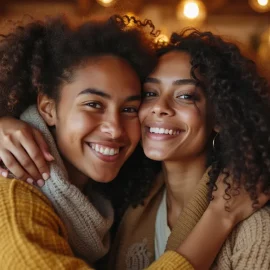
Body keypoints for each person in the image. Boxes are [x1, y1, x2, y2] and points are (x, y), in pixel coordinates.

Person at [0, 19, 268, 270]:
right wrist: (219, 218)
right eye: (94, 104)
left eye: (130, 108)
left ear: (220, 114)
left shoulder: (110, 202)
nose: (115, 128)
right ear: (48, 108)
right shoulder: (15, 198)